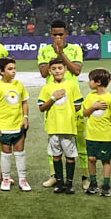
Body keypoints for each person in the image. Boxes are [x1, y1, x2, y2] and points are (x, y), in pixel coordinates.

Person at [38, 20, 85, 188]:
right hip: (53, 104)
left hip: (72, 100)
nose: (58, 37)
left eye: (61, 34)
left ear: (66, 34)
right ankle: (55, 176)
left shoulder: (75, 49)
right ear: (51, 35)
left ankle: (85, 176)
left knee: (79, 141)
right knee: (53, 142)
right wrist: (54, 55)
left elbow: (76, 71)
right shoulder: (43, 51)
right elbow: (44, 73)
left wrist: (62, 54)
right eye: (54, 34)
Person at [0, 57, 31, 192]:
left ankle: (23, 179)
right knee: (6, 153)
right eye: (10, 69)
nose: (14, 71)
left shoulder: (19, 84)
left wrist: (25, 117)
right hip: (4, 127)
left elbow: (24, 102)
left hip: (18, 125)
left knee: (20, 153)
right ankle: (6, 179)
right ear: (1, 71)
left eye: (14, 68)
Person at [82, 68, 111, 196]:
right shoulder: (90, 97)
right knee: (91, 159)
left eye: (90, 80)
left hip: (105, 135)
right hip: (91, 134)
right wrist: (93, 107)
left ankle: (106, 185)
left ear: (97, 82)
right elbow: (84, 113)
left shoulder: (109, 98)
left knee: (105, 160)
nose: (89, 83)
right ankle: (93, 184)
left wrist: (107, 119)